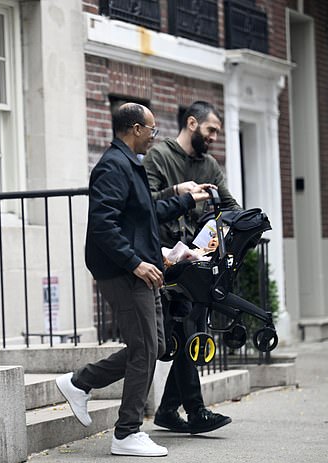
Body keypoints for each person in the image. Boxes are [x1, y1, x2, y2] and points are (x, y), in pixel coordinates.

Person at [55, 102, 214, 457]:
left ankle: (79, 382)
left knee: (155, 346)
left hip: (141, 267)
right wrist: (135, 264)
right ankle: (126, 432)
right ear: (135, 129)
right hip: (123, 272)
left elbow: (147, 214)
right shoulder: (112, 167)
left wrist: (187, 201)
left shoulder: (131, 164)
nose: (154, 137)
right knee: (144, 348)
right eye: (152, 130)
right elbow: (102, 225)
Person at [143, 100, 241, 434]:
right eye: (211, 129)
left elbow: (231, 208)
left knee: (184, 332)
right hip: (160, 259)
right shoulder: (160, 156)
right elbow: (145, 204)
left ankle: (170, 410)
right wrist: (179, 191)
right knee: (181, 333)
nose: (215, 136)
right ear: (192, 123)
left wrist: (220, 233)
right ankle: (194, 410)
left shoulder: (210, 165)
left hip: (194, 262)